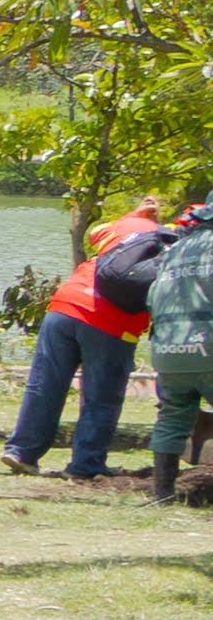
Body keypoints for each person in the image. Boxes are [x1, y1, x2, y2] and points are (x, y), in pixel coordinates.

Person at [6, 196, 165, 479]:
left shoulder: (127, 226)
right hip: (112, 322)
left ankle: (22, 451)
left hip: (65, 306)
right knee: (101, 396)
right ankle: (86, 465)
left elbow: (95, 235)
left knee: (45, 384)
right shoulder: (176, 241)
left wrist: (137, 213)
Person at [142, 213, 213, 505]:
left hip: (170, 350)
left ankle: (162, 495)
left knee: (171, 419)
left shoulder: (176, 250)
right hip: (208, 345)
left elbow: (151, 299)